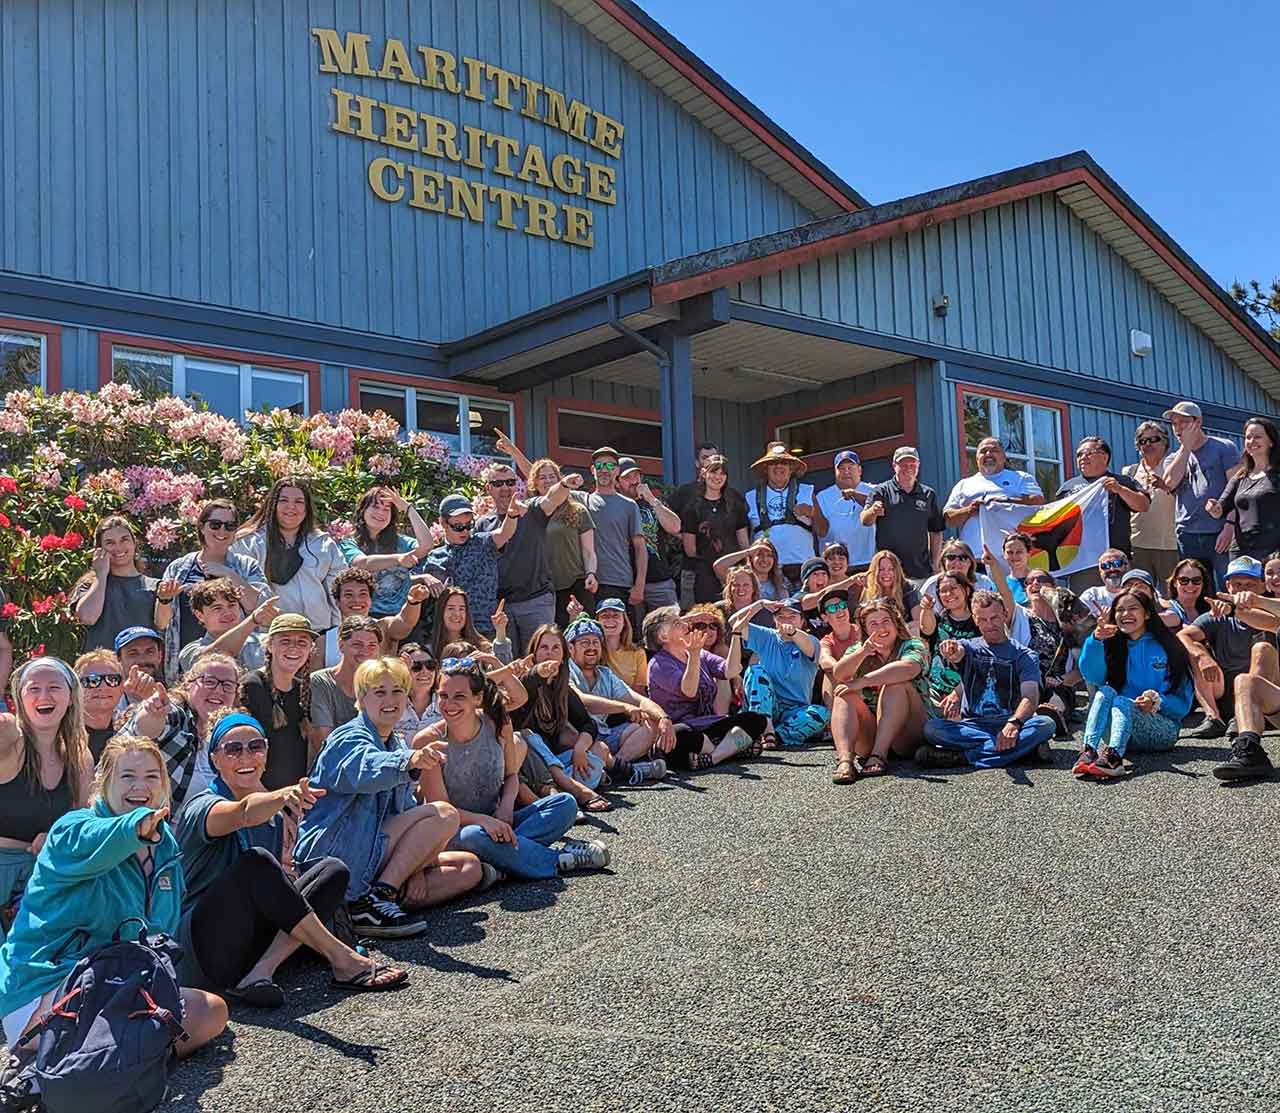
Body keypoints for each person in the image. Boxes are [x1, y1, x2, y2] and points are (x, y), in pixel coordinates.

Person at [0, 735, 227, 1065]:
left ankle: (81, 1065)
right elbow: (99, 838)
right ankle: (85, 1062)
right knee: (161, 1029)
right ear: (104, 782)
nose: (141, 787)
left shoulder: (166, 848)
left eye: (151, 776)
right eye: (127, 776)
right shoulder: (73, 829)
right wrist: (135, 826)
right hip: (45, 992)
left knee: (211, 1012)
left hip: (119, 986)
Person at [174, 712, 409, 1005]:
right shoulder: (202, 806)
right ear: (215, 759)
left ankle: (261, 971)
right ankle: (342, 959)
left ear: (266, 753)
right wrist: (284, 796)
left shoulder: (273, 819)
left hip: (250, 946)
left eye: (255, 746)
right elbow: (243, 812)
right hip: (204, 950)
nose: (246, 756)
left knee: (331, 870)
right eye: (233, 749)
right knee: (255, 862)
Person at [296, 657, 477, 937]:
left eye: (397, 691)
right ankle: (373, 899)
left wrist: (413, 869)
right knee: (444, 814)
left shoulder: (395, 741)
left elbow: (405, 809)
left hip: (373, 851)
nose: (390, 700)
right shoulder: (348, 738)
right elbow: (365, 768)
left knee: (469, 867)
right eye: (379, 692)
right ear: (362, 698)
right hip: (336, 856)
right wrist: (410, 760)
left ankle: (375, 900)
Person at [416, 659, 610, 879]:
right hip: (461, 832)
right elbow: (442, 811)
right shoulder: (427, 741)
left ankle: (503, 862)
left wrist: (507, 806)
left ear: (477, 699)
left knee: (564, 804)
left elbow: (511, 775)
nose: (449, 704)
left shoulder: (498, 723)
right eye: (443, 696)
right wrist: (485, 821)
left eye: (459, 696)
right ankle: (557, 859)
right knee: (474, 836)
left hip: (499, 819)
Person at [0, 659, 94, 941]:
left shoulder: (79, 757)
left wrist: (56, 835)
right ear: (19, 698)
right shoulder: (9, 736)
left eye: (54, 687)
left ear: (70, 697)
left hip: (42, 878)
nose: (44, 696)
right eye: (34, 689)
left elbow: (82, 821)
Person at [917, 591, 1057, 769]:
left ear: (1005, 614)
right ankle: (1022, 751)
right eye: (982, 620)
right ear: (975, 619)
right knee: (932, 728)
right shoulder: (969, 646)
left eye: (994, 618)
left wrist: (1014, 723)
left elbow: (1030, 696)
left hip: (1009, 720)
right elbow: (958, 652)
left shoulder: (1025, 655)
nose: (989, 625)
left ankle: (962, 757)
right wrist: (951, 651)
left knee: (1045, 724)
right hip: (973, 726)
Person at [1074, 591, 1193, 777]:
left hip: (1164, 730)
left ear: (1147, 614)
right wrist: (1096, 640)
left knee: (1122, 701)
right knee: (1104, 690)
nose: (1125, 614)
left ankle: (1114, 758)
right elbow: (1092, 676)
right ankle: (1088, 751)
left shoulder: (1169, 646)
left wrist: (1157, 703)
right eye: (1120, 610)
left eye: (1132, 608)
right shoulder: (1112, 644)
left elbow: (1183, 704)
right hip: (1119, 731)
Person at [476, 460, 582, 653]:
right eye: (498, 484)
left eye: (510, 482)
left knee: (541, 659)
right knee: (507, 661)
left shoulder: (531, 510)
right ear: (488, 488)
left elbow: (551, 498)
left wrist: (565, 484)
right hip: (501, 606)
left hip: (535, 601)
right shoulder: (483, 524)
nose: (505, 488)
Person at [643, 606, 767, 769]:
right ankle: (732, 749)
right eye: (676, 623)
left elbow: (732, 670)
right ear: (663, 636)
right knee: (684, 738)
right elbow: (689, 691)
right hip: (681, 729)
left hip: (708, 724)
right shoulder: (659, 664)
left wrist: (736, 633)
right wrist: (694, 655)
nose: (685, 624)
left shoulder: (699, 654)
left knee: (756, 720)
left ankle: (714, 757)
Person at [232, 477, 348, 649]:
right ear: (273, 505)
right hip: (268, 635)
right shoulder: (249, 542)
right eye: (284, 500)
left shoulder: (323, 543)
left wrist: (336, 630)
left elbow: (338, 589)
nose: (291, 507)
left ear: (307, 508)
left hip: (318, 634)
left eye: (299, 501)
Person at [160, 499, 268, 682]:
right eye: (215, 525)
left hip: (239, 665)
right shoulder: (178, 568)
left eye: (230, 526)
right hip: (189, 663)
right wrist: (164, 599)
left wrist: (229, 574)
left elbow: (260, 609)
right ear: (201, 527)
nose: (222, 531)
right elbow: (162, 622)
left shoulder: (247, 566)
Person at [1177, 556, 1279, 740]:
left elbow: (1272, 623)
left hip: (1266, 694)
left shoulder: (1270, 610)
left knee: (1263, 646)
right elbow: (1183, 635)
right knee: (1194, 649)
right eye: (1237, 584)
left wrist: (1237, 609)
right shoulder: (1218, 613)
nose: (1242, 590)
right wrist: (1202, 656)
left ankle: (1246, 719)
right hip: (1225, 688)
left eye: (1250, 584)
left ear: (1262, 586)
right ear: (1228, 586)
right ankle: (1213, 716)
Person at [828, 599, 929, 782]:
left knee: (895, 683)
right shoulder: (859, 649)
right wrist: (862, 653)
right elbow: (839, 673)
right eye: (873, 624)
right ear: (865, 630)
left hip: (908, 732)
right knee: (844, 692)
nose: (881, 628)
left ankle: (879, 755)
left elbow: (909, 668)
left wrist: (862, 682)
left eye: (885, 621)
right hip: (871, 733)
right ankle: (845, 761)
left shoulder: (912, 644)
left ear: (895, 624)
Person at [123, 652, 241, 808]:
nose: (219, 691)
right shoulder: (176, 714)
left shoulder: (233, 732)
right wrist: (153, 711)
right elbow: (146, 729)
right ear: (188, 685)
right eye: (209, 682)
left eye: (228, 685)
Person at [566, 618, 674, 776]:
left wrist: (664, 718)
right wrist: (624, 707)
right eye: (584, 643)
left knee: (651, 722)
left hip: (603, 735)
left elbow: (639, 700)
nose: (591, 647)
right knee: (596, 748)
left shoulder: (605, 674)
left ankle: (614, 766)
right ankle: (625, 769)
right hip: (578, 739)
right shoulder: (566, 672)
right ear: (570, 648)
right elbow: (582, 701)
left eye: (596, 642)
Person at [1156, 401, 1239, 588]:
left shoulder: (1224, 447)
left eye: (1183, 422)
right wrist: (1186, 448)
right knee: (1197, 589)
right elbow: (1169, 483)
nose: (1178, 428)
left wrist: (1230, 526)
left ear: (1198, 422)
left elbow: (1237, 490)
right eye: (1174, 424)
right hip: (1188, 534)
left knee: (1228, 586)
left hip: (1219, 531)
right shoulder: (1174, 457)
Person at [731, 595, 831, 750]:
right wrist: (759, 604)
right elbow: (734, 623)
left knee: (821, 713)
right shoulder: (767, 636)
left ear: (802, 621)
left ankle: (776, 736)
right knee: (755, 671)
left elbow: (808, 648)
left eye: (792, 616)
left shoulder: (812, 641)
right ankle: (765, 728)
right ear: (775, 621)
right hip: (765, 705)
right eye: (781, 617)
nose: (787, 620)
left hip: (794, 712)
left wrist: (794, 633)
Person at [1055, 436, 1149, 592]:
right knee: (1086, 608)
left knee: (1121, 601)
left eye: (1088, 453)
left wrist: (1120, 490)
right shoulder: (1067, 488)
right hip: (1082, 562)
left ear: (1104, 457)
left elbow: (1143, 505)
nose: (1082, 458)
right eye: (1079, 455)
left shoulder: (1122, 481)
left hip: (1116, 560)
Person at [423, 491, 517, 641]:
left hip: (485, 630)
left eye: (469, 525)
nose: (465, 531)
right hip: (451, 634)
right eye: (458, 526)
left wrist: (511, 516)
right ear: (442, 522)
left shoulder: (482, 543)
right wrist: (424, 577)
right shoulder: (435, 557)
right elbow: (410, 583)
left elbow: (504, 533)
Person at [241, 613, 319, 791]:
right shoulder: (252, 685)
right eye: (285, 641)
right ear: (269, 645)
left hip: (292, 797)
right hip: (258, 797)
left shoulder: (305, 690)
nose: (294, 648)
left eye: (302, 642)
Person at [70, 515, 165, 651]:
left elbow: (163, 625)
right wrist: (101, 575)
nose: (118, 547)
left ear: (134, 543)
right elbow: (87, 618)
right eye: (110, 543)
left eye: (124, 540)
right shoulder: (89, 584)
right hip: (103, 667)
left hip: (142, 665)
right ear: (99, 549)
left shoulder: (156, 586)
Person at [338, 486, 434, 617]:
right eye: (375, 507)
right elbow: (361, 563)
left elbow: (427, 544)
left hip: (401, 616)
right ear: (363, 510)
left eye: (386, 509)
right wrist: (398, 559)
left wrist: (408, 508)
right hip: (366, 615)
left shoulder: (402, 543)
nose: (380, 513)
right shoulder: (349, 543)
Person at [579, 447, 647, 629]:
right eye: (599, 465)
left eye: (610, 465)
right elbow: (545, 483)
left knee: (622, 640)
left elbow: (640, 548)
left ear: (617, 470)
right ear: (592, 470)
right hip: (587, 583)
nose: (604, 469)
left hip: (619, 583)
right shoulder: (581, 500)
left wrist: (639, 586)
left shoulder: (629, 505)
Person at [942, 438, 1044, 557]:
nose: (988, 454)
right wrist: (970, 510)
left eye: (994, 450)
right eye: (983, 451)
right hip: (973, 559)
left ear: (1004, 457)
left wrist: (1003, 502)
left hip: (1012, 558)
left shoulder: (1021, 478)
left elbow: (1037, 503)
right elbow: (948, 519)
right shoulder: (964, 484)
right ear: (976, 458)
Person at [530, 457, 599, 625]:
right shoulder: (530, 512)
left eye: (552, 476)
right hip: (543, 590)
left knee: (581, 633)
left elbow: (589, 551)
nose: (547, 481)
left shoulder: (578, 510)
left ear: (559, 480)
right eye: (542, 477)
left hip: (576, 585)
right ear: (534, 483)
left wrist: (591, 573)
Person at [861, 446, 944, 582]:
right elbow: (865, 520)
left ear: (918, 465)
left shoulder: (928, 494)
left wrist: (935, 564)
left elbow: (936, 531)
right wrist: (873, 512)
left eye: (912, 464)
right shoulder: (881, 491)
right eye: (903, 464)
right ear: (894, 466)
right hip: (889, 574)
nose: (908, 468)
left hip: (920, 572)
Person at [321, 567, 430, 667]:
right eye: (349, 595)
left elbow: (405, 622)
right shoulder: (323, 641)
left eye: (363, 594)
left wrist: (413, 602)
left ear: (371, 599)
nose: (356, 600)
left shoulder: (384, 628)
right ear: (337, 602)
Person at [1206, 417, 1280, 562]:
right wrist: (1214, 508)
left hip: (1271, 550)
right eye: (1248, 437)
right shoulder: (1240, 476)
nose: (1252, 441)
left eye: (1257, 437)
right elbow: (1221, 509)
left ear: (1271, 442)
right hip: (1240, 551)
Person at [680, 454, 751, 604]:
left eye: (722, 473)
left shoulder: (735, 505)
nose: (718, 477)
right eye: (713, 472)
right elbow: (690, 549)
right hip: (703, 574)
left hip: (733, 572)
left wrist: (746, 568)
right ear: (704, 473)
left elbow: (743, 542)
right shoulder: (692, 508)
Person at [616, 458, 682, 618]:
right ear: (617, 482)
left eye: (636, 476)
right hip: (627, 582)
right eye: (627, 477)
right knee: (633, 635)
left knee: (670, 629)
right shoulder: (616, 505)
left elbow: (675, 527)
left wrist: (652, 499)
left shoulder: (652, 503)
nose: (633, 481)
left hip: (659, 581)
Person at [744, 441, 818, 584]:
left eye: (784, 463)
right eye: (773, 463)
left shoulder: (808, 492)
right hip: (767, 572)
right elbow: (743, 537)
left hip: (804, 568)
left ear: (791, 468)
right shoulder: (750, 497)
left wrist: (812, 512)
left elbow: (824, 530)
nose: (779, 466)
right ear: (766, 469)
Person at [310, 616, 384, 747]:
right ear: (341, 645)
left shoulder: (384, 684)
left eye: (372, 645)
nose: (365, 651)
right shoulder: (320, 682)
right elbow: (323, 742)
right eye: (357, 645)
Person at [178, 579, 277, 677]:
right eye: (217, 608)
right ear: (200, 615)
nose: (227, 613)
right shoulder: (190, 651)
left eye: (232, 605)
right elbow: (213, 657)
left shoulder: (265, 642)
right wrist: (253, 620)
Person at [1124, 421, 1179, 587]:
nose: (1148, 444)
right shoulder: (1129, 472)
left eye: (1153, 439)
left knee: (1172, 596)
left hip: (1170, 545)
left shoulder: (1176, 466)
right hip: (1138, 545)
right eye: (1142, 441)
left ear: (1165, 442)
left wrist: (1166, 485)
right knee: (1141, 595)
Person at [919, 573, 979, 713]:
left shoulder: (979, 620)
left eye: (953, 588)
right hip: (934, 689)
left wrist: (958, 693)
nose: (948, 594)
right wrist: (926, 608)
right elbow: (926, 630)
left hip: (967, 690)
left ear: (967, 589)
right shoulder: (939, 618)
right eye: (943, 591)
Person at [814, 450, 877, 573]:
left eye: (850, 467)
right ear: (835, 472)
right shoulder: (821, 497)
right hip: (835, 566)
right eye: (841, 468)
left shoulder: (874, 491)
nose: (846, 472)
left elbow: (881, 507)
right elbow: (820, 531)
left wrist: (855, 495)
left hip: (868, 562)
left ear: (860, 470)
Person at [919, 540, 997, 611]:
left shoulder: (983, 582)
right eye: (951, 557)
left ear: (971, 562)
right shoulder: (931, 585)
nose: (956, 562)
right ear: (943, 561)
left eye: (963, 558)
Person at [816, 587, 863, 704]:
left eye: (842, 605)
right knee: (830, 675)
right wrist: (844, 669)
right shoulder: (826, 641)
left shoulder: (862, 631)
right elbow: (825, 660)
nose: (839, 611)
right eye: (832, 608)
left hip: (865, 680)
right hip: (844, 683)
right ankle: (832, 717)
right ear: (825, 618)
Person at [74, 649, 124, 760]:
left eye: (112, 679)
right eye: (92, 680)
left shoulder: (129, 731)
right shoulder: (62, 736)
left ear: (121, 688)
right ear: (77, 688)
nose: (103, 687)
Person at [860, 550, 923, 632]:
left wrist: (898, 630)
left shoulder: (909, 588)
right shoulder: (869, 589)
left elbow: (919, 621)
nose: (886, 573)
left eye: (891, 569)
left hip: (906, 632)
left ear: (897, 571)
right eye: (881, 569)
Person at [596, 597, 648, 693]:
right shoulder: (592, 651)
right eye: (604, 616)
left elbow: (639, 691)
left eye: (616, 615)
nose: (610, 619)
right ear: (597, 622)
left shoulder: (638, 653)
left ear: (624, 622)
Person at [714, 538, 789, 602]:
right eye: (759, 555)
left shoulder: (780, 580)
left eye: (769, 555)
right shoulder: (740, 577)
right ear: (751, 558)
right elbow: (718, 566)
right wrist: (748, 552)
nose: (764, 559)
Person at [396, 644, 442, 741]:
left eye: (430, 665)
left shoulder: (447, 703)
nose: (425, 671)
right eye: (416, 666)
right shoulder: (391, 704)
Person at [1079, 549, 1131, 617]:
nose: (1112, 569)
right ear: (1100, 571)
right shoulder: (1092, 595)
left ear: (1127, 566)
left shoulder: (1137, 592)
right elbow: (1077, 624)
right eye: (1105, 566)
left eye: (1117, 564)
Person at [1165, 559, 1212, 625]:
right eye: (1184, 580)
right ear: (1175, 583)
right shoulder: (1166, 608)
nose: (1190, 584)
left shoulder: (1209, 610)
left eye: (1196, 580)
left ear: (1203, 584)